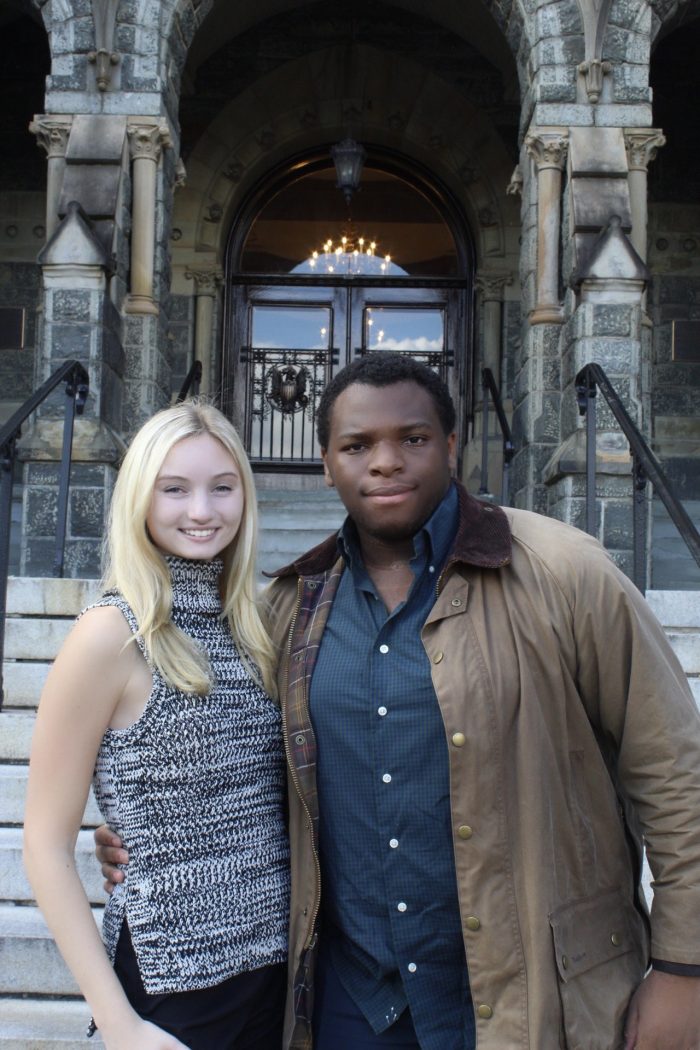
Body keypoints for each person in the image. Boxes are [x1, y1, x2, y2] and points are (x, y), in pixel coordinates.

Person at [96, 354, 700, 1050]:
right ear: (326, 463)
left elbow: (675, 774)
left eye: (412, 439)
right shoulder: (286, 610)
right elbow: (240, 765)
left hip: (533, 1000)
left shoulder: (566, 574)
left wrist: (683, 965)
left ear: (451, 446)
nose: (385, 462)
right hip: (351, 1008)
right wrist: (149, 831)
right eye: (357, 446)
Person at [24, 401, 290, 1050]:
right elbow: (43, 846)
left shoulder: (257, 626)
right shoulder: (110, 636)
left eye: (222, 488)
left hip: (276, 972)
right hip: (175, 983)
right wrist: (119, 1025)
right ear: (140, 497)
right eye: (175, 489)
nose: (202, 510)